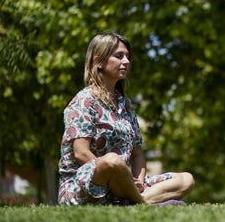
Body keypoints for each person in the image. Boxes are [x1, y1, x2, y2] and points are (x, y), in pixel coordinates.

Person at [58, 32, 194, 206]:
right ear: (99, 60)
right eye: (119, 56)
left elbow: (137, 155)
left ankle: (133, 200)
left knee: (185, 179)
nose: (127, 61)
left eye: (128, 57)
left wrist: (138, 181)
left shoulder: (125, 105)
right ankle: (142, 205)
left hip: (123, 183)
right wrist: (122, 174)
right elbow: (81, 153)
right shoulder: (84, 101)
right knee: (112, 161)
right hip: (84, 185)